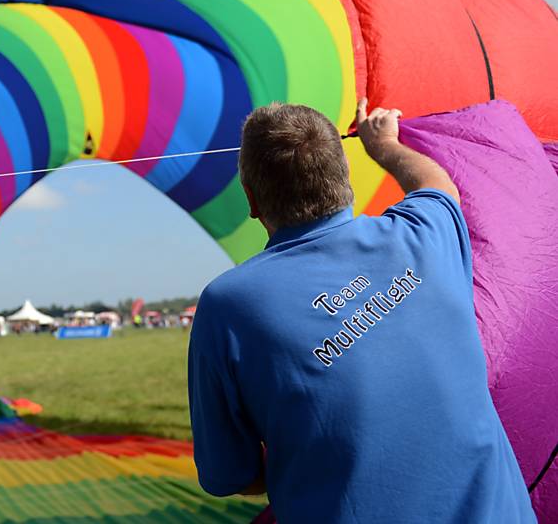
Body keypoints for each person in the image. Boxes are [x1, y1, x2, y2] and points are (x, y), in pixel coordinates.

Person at [188, 99, 534, 523]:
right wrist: (383, 143)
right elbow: (437, 183)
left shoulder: (227, 306)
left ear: (252, 200)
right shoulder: (421, 233)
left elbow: (230, 476)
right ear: (344, 177)